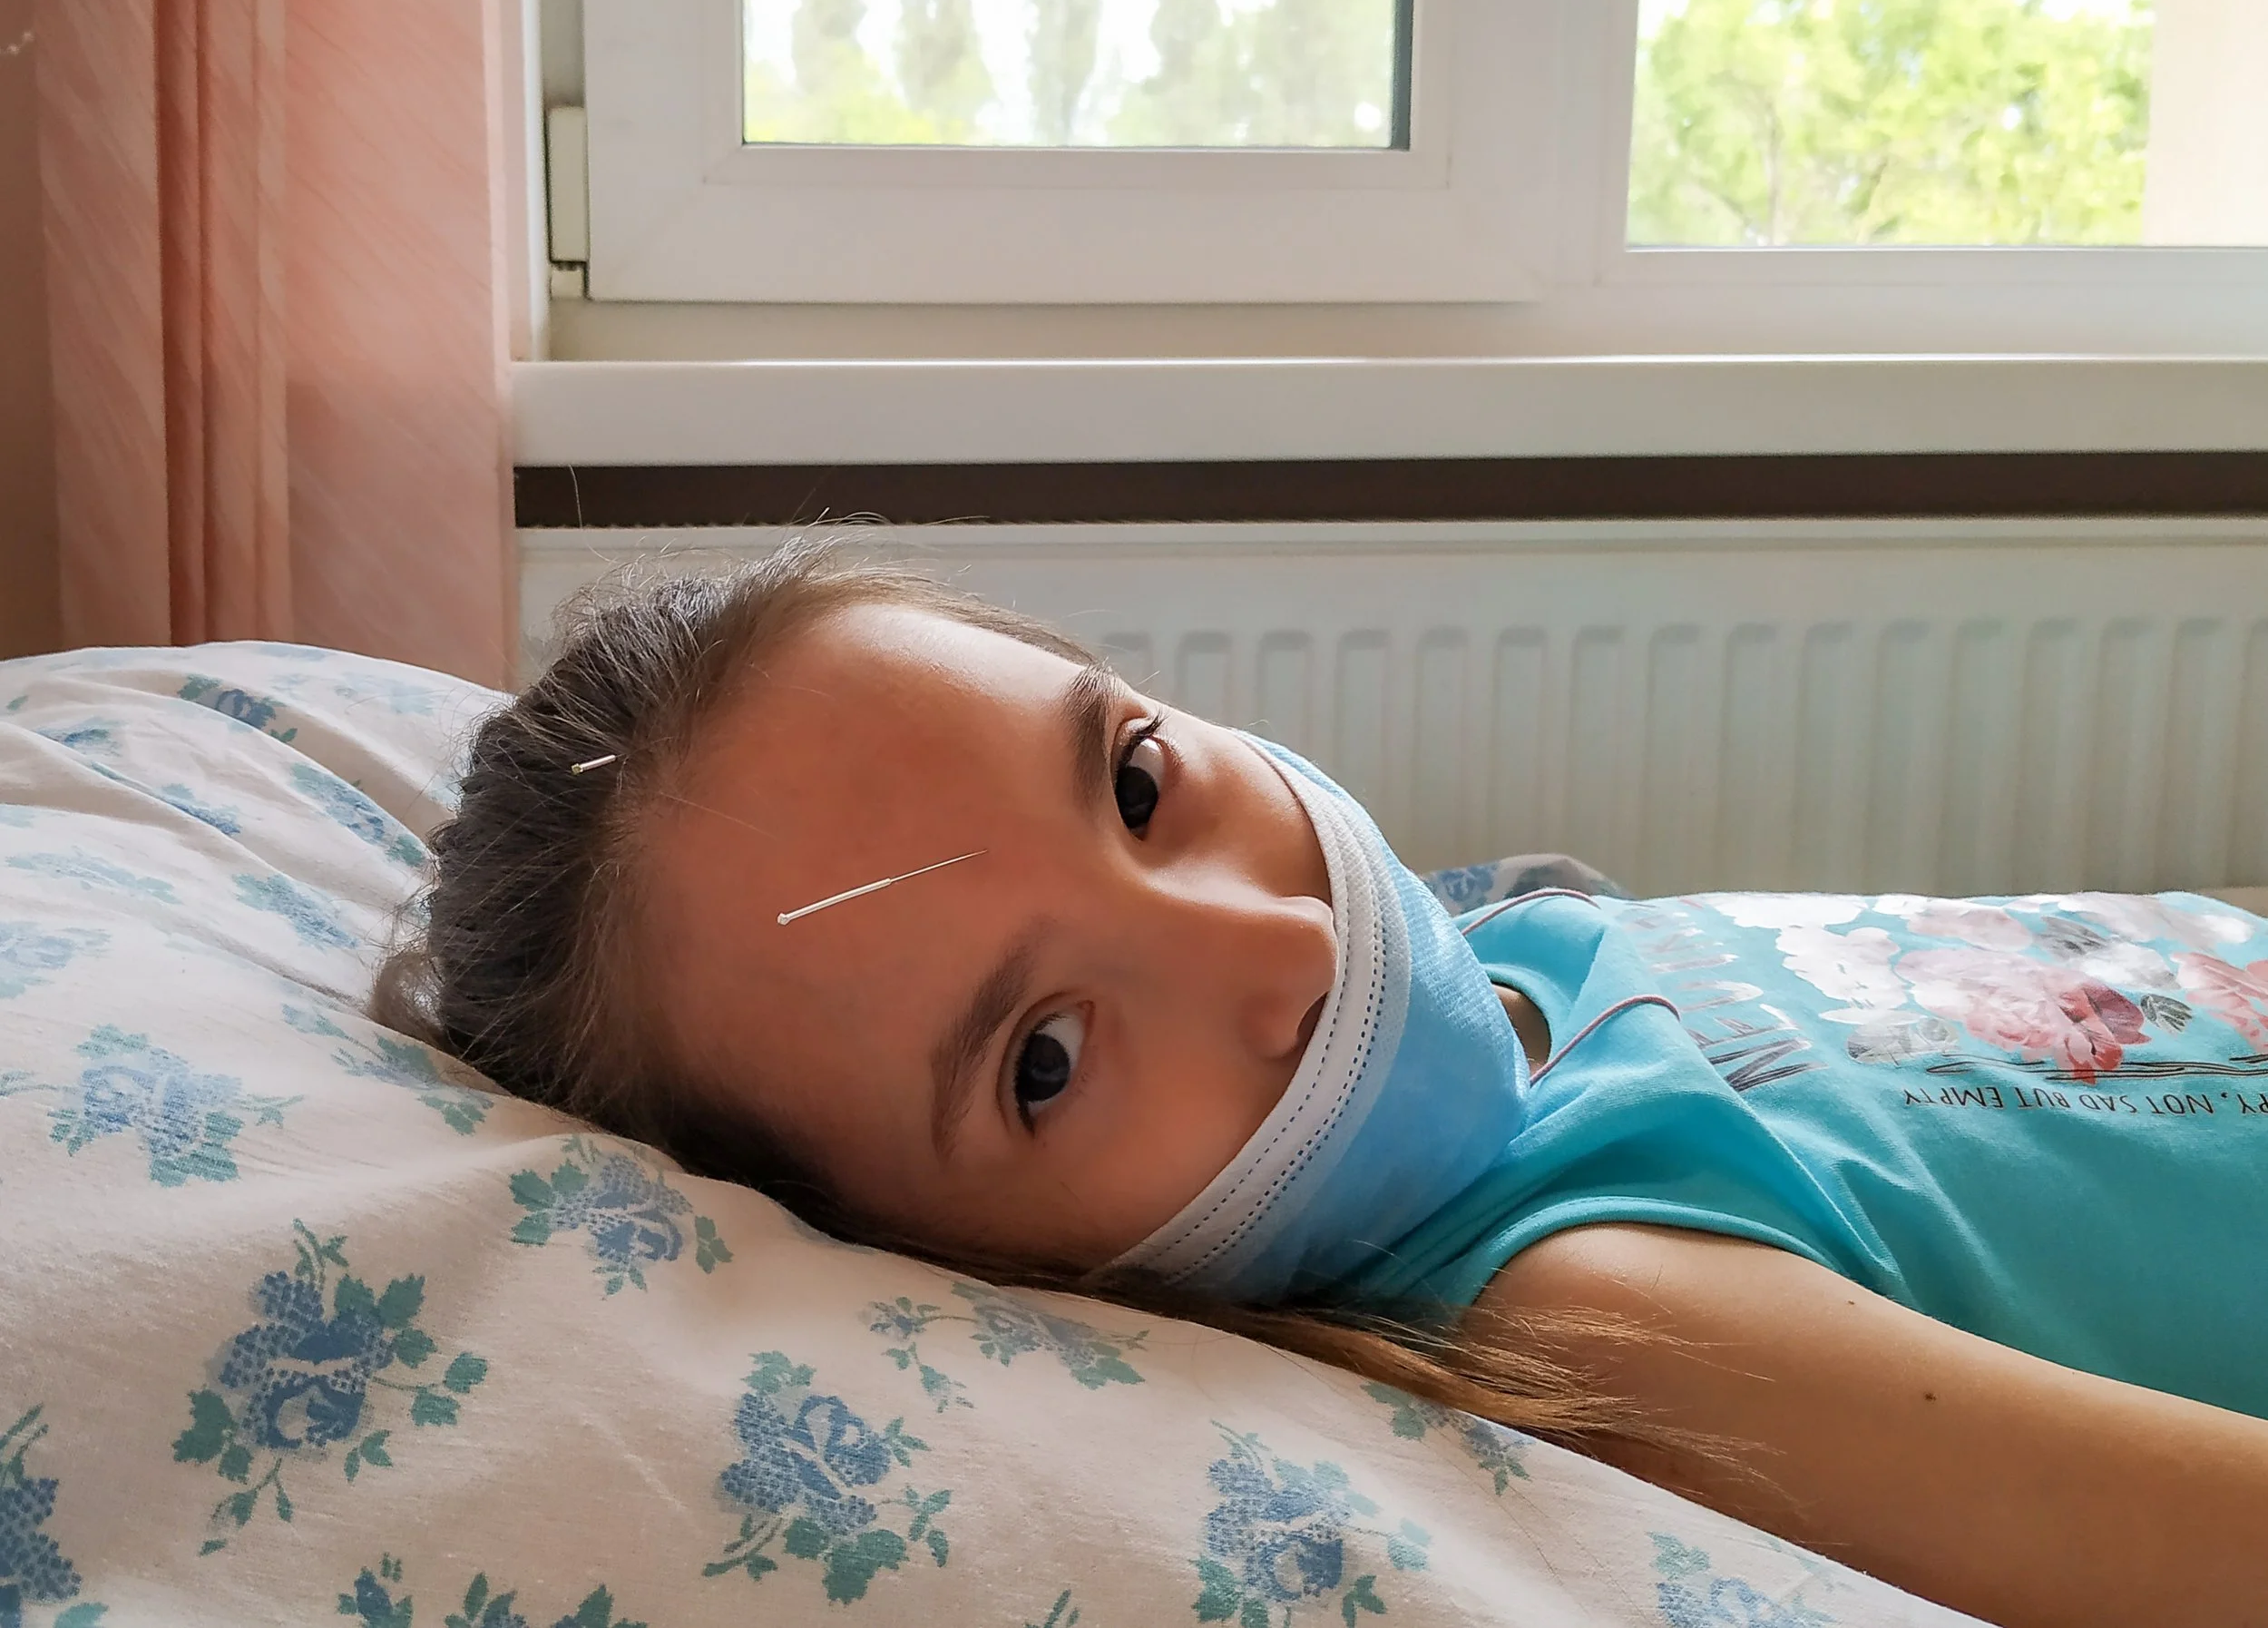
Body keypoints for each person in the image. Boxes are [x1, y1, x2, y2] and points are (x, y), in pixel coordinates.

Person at [377, 542, 2268, 1628]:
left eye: (1131, 784)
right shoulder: (1597, 1316)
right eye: (1042, 1058)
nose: (1276, 945)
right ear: (938, 1262)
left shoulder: (1500, 948)